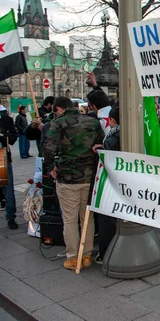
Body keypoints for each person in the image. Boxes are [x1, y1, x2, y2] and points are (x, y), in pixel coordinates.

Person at [43, 97, 104, 270]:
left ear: (59, 109)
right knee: (87, 218)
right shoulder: (92, 122)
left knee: (69, 219)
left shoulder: (58, 124)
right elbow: (101, 143)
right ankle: (86, 255)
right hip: (90, 175)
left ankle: (72, 257)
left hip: (67, 177)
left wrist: (50, 167)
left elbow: (48, 148)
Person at [91, 106, 120, 264]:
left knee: (106, 218)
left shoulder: (112, 138)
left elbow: (108, 162)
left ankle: (106, 252)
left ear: (113, 120)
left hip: (111, 184)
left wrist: (101, 152)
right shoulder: (129, 134)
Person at [0, 103, 19, 229]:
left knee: (7, 187)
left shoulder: (6, 119)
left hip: (2, 155)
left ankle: (11, 216)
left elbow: (13, 137)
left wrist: (5, 137)